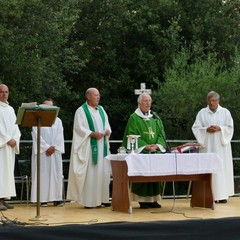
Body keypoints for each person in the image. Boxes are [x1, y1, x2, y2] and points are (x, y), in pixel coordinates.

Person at [67, 88, 112, 208]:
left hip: (102, 145)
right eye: (96, 95)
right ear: (88, 97)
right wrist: (93, 134)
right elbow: (79, 128)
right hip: (89, 147)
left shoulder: (101, 110)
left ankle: (102, 199)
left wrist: (107, 131)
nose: (98, 97)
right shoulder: (81, 111)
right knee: (91, 173)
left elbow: (106, 123)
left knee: (102, 172)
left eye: (99, 95)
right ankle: (89, 201)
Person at [121, 92, 168, 209]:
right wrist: (146, 147)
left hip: (154, 152)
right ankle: (142, 200)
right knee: (142, 175)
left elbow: (161, 134)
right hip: (142, 152)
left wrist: (157, 146)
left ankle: (154, 200)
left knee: (156, 175)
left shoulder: (155, 117)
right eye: (146, 101)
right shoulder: (134, 118)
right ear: (139, 103)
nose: (148, 103)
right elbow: (131, 135)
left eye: (150, 101)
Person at [192, 91, 234, 203]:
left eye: (214, 101)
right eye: (210, 101)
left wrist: (220, 128)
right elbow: (196, 128)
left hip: (221, 148)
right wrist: (205, 129)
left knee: (221, 168)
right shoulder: (202, 113)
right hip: (208, 147)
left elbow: (230, 128)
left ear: (218, 101)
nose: (211, 103)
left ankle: (222, 195)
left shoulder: (225, 112)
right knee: (209, 168)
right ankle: (209, 195)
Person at [31, 99, 65, 207]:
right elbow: (36, 135)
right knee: (43, 175)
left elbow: (60, 135)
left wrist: (53, 148)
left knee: (56, 175)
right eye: (46, 106)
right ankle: (42, 199)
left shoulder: (58, 120)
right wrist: (46, 148)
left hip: (54, 152)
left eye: (51, 106)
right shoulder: (37, 120)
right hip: (42, 153)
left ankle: (56, 198)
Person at [0, 84, 21, 211]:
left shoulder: (10, 109)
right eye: (2, 92)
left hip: (9, 147)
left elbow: (16, 127)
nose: (4, 94)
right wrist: (8, 139)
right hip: (2, 145)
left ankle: (3, 199)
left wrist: (15, 139)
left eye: (6, 92)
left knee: (6, 173)